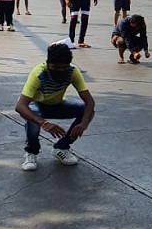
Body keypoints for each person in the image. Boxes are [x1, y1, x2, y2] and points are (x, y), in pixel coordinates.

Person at [15, 43, 96, 172]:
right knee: (32, 118)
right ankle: (31, 152)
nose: (60, 71)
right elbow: (20, 106)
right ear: (47, 63)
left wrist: (83, 124)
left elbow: (89, 101)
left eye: (64, 67)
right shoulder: (39, 73)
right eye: (55, 68)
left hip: (58, 104)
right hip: (37, 106)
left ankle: (61, 147)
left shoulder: (73, 71)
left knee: (86, 110)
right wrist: (44, 123)